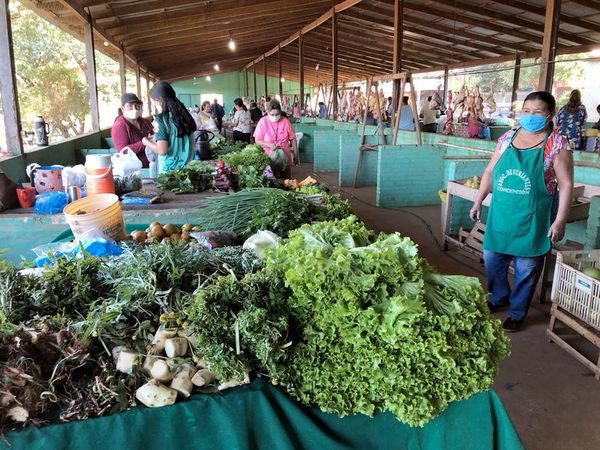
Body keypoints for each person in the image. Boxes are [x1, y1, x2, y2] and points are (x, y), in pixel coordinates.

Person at [469, 91, 574, 332]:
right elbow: (489, 172)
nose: (530, 116)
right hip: (502, 215)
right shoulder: (507, 138)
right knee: (492, 260)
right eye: (526, 111)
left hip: (533, 219)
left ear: (550, 115)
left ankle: (517, 312)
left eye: (538, 112)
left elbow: (566, 184)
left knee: (526, 270)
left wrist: (560, 221)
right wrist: (478, 201)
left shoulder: (556, 143)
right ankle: (498, 297)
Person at [142, 81, 195, 174]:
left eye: (153, 101)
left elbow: (162, 150)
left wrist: (145, 141)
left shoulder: (161, 119)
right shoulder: (185, 116)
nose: (153, 104)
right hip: (188, 171)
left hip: (170, 174)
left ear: (159, 99)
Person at [253, 99, 298, 179]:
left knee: (286, 181)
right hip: (268, 158)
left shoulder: (285, 121)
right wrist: (269, 145)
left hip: (285, 157)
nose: (275, 116)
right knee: (272, 180)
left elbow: (293, 138)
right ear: (267, 112)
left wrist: (295, 155)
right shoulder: (263, 122)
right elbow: (257, 141)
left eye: (277, 114)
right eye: (272, 114)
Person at [111, 93, 154, 168]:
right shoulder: (119, 126)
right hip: (134, 170)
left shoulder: (145, 122)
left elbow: (154, 135)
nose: (134, 109)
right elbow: (123, 151)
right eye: (130, 106)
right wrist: (144, 143)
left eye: (137, 106)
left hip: (152, 164)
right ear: (122, 108)